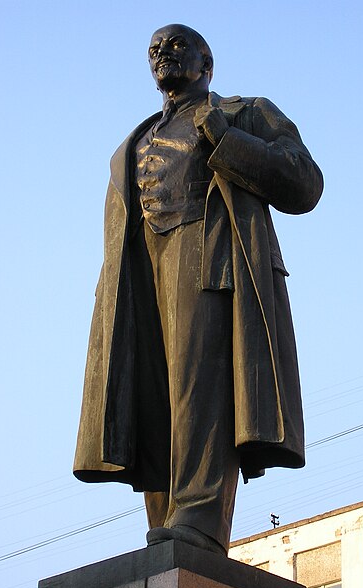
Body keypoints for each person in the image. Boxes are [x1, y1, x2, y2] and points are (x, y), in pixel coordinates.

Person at [73, 23, 323, 556]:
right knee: (151, 390)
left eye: (177, 45)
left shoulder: (242, 111)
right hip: (142, 273)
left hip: (209, 255)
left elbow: (305, 182)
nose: (163, 54)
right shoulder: (133, 142)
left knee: (199, 385)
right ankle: (166, 517)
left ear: (207, 63)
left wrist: (228, 141)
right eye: (154, 49)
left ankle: (200, 519)